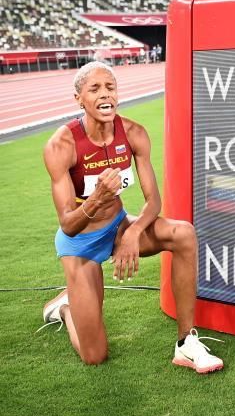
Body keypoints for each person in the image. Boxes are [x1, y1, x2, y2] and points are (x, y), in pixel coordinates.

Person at [40, 61, 223, 373]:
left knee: (184, 233)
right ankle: (66, 307)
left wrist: (132, 233)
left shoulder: (134, 133)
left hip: (118, 226)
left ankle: (186, 343)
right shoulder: (62, 145)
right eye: (94, 89)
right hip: (80, 243)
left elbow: (154, 202)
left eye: (110, 87)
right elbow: (68, 226)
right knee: (94, 356)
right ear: (79, 99)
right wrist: (96, 197)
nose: (104, 94)